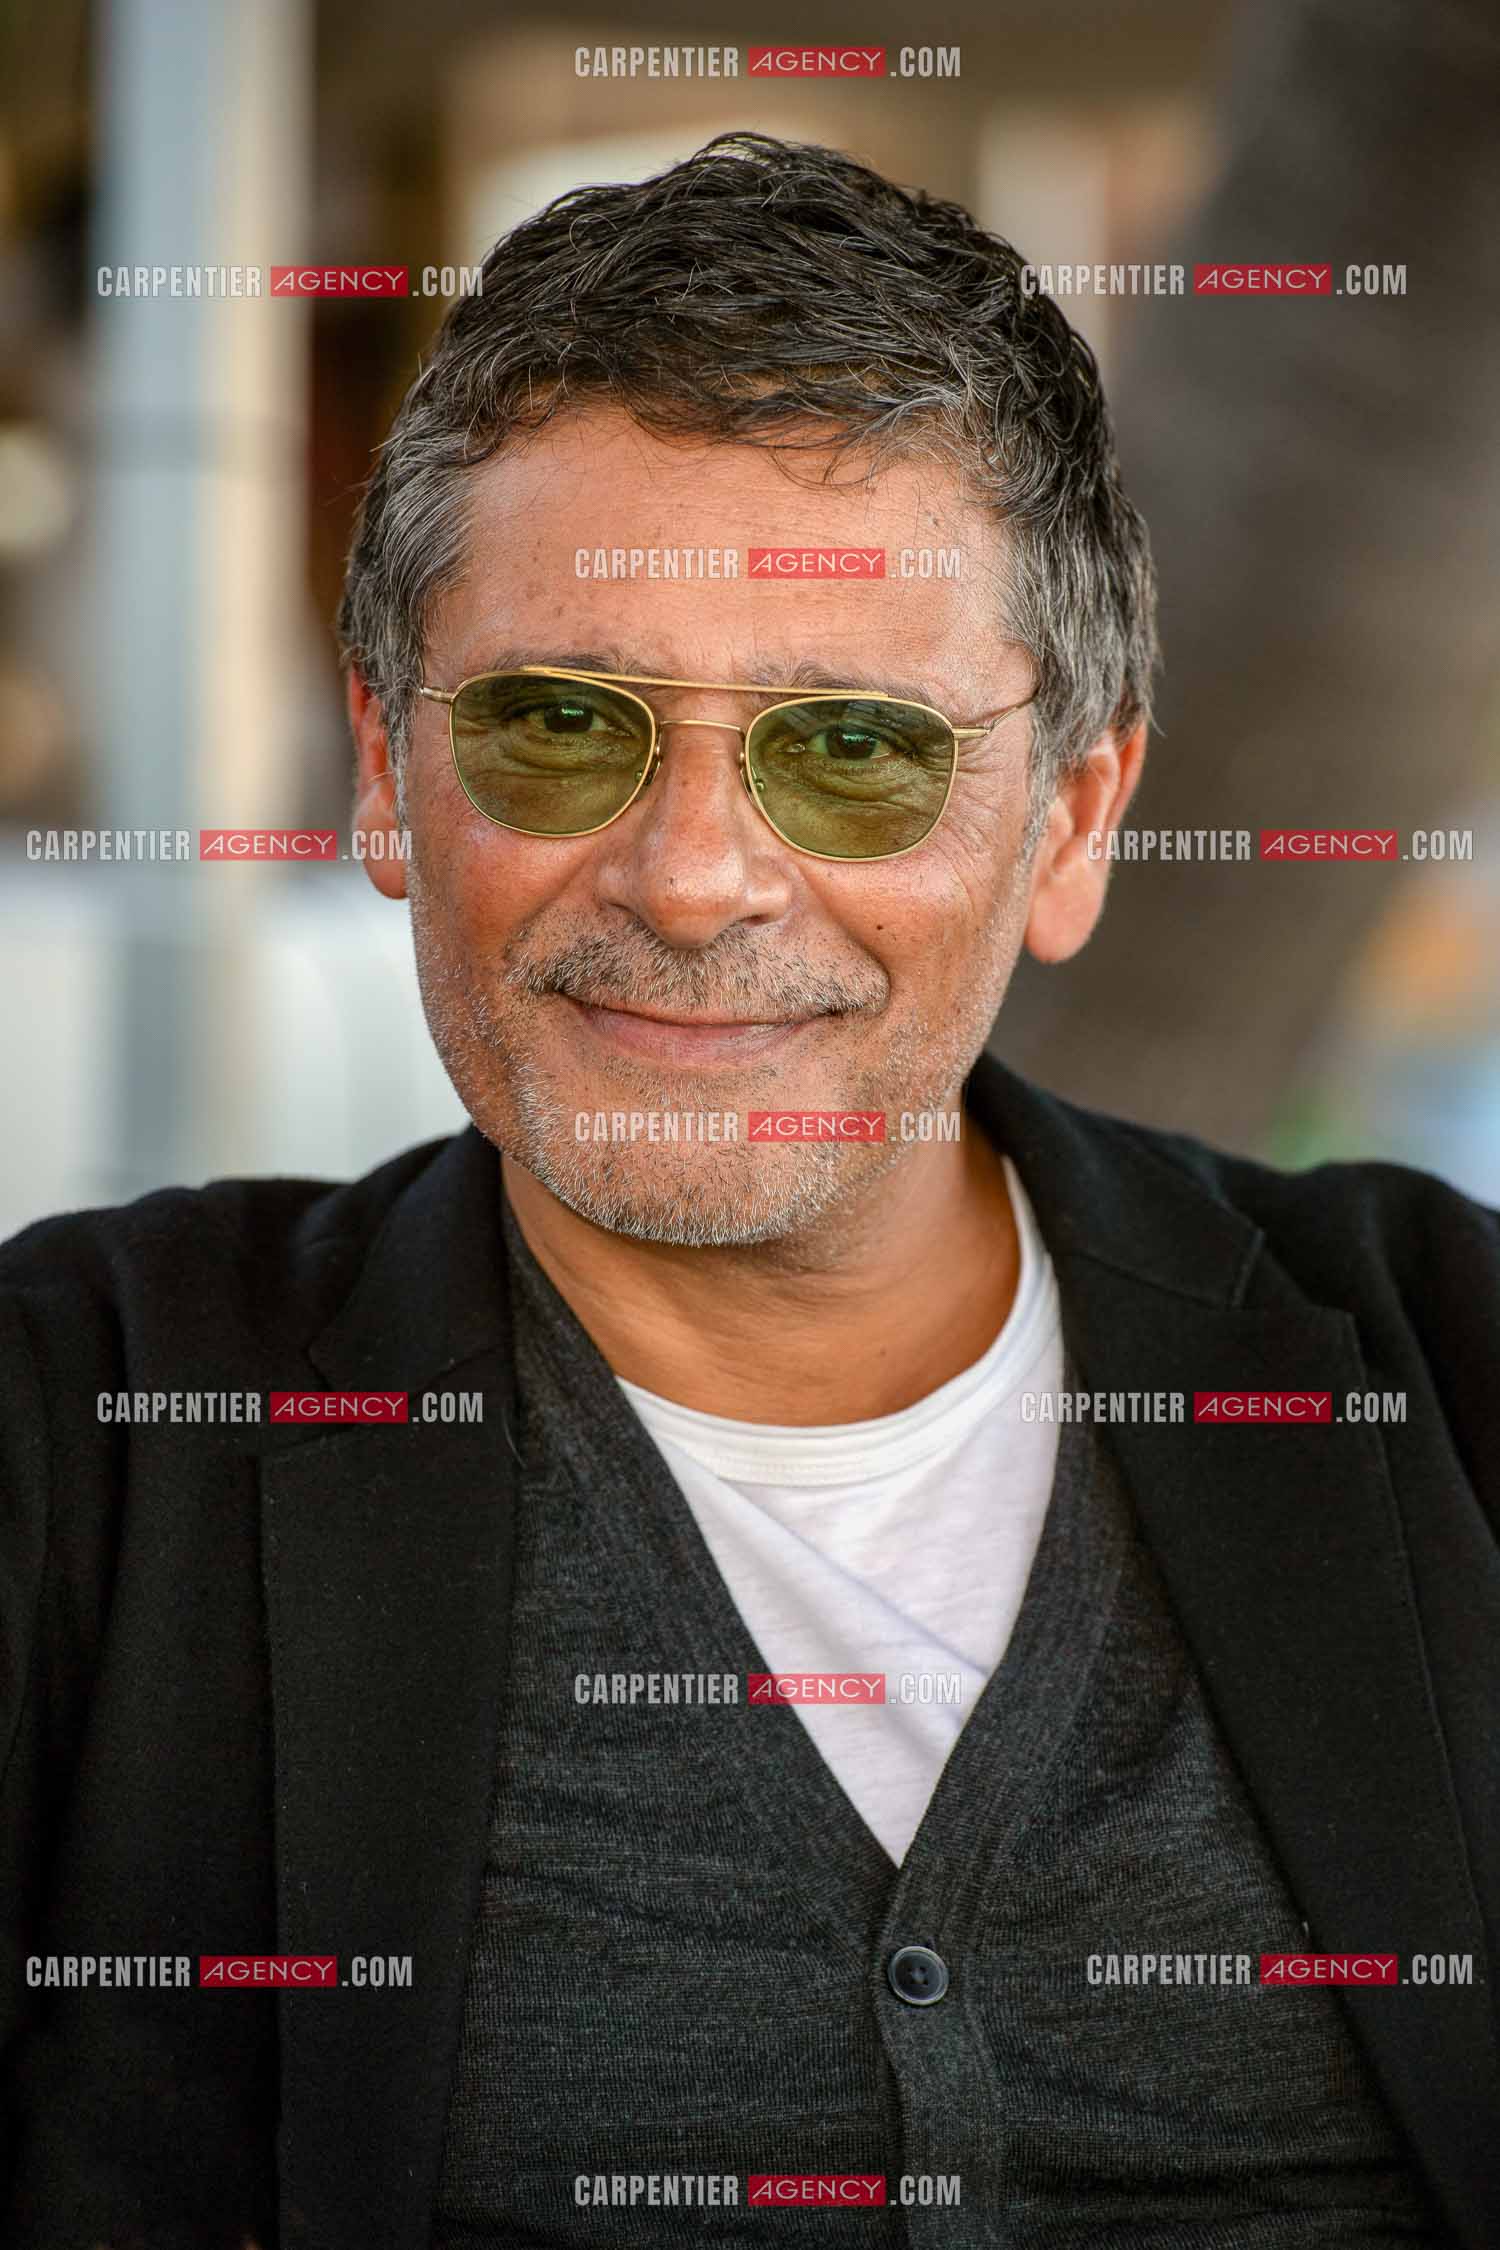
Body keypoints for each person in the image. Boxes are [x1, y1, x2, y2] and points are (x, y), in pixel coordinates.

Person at [2, 130, 1497, 2250]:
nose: (692, 876)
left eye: (854, 750)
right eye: (554, 725)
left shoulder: (1449, 1382)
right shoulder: (89, 1438)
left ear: (1073, 824)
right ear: (381, 773)